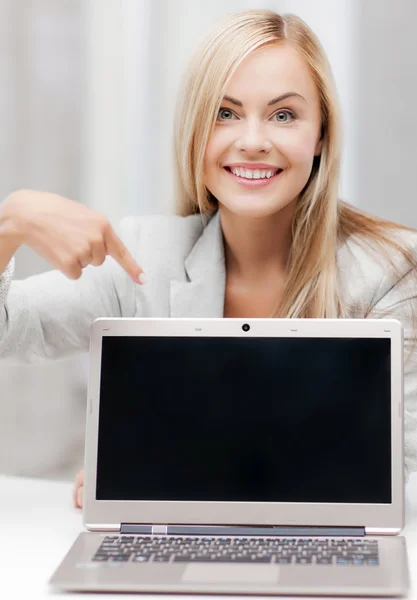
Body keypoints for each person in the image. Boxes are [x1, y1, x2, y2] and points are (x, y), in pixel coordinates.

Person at [0, 9, 416, 510]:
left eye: (283, 115)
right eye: (225, 113)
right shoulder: (143, 260)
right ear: (195, 131)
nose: (253, 141)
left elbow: (401, 473)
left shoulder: (390, 271)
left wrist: (164, 472)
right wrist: (11, 222)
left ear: (321, 135)